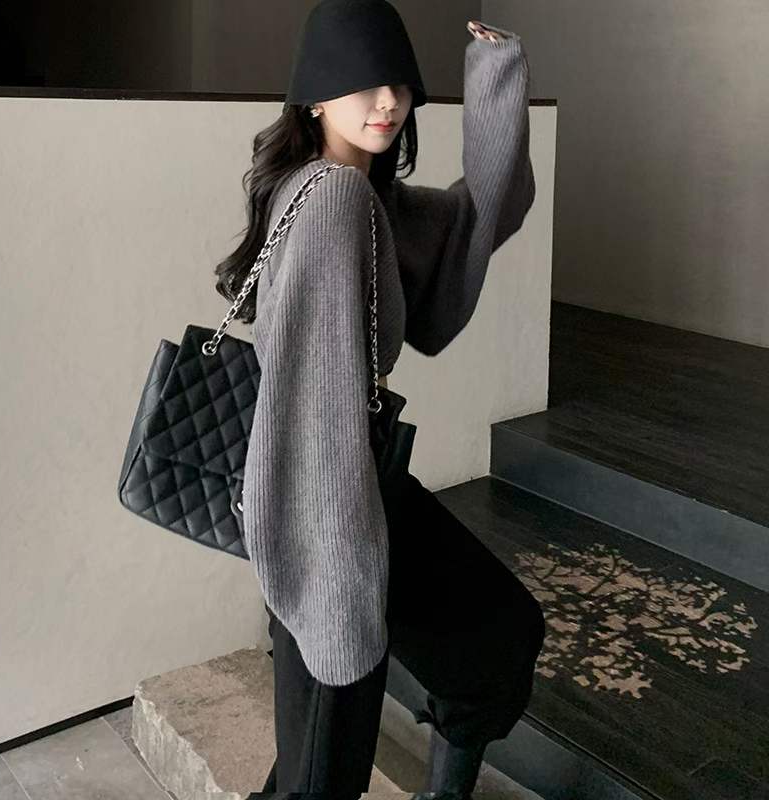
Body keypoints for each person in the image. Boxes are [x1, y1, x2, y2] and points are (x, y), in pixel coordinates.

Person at [213, 1, 545, 797]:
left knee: (496, 639)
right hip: (325, 513)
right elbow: (315, 410)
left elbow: (478, 218)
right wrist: (336, 582)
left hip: (357, 491)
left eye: (398, 81)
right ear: (315, 98)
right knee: (320, 777)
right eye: (362, 82)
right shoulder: (333, 199)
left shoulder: (369, 197)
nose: (388, 100)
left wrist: (496, 77)